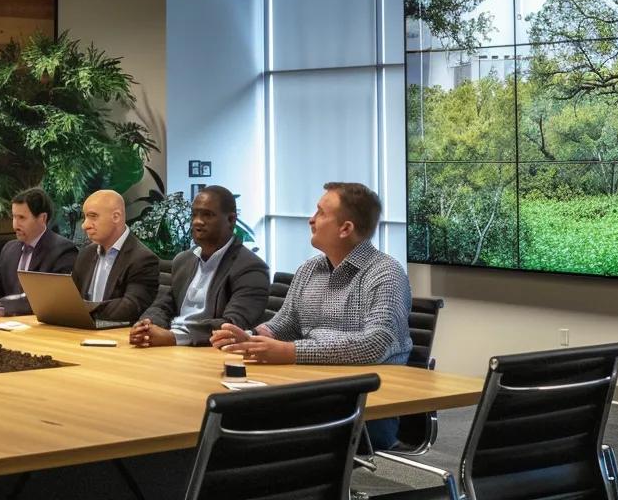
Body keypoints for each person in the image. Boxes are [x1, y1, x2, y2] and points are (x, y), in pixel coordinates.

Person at [210, 182, 412, 449]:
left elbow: (376, 343)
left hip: (364, 404)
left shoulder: (385, 273)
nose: (311, 219)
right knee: (225, 408)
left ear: (346, 229)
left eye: (321, 213)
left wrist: (292, 352)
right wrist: (250, 338)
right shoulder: (309, 269)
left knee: (244, 424)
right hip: (310, 387)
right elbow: (286, 323)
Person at [130, 185, 270, 347]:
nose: (197, 221)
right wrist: (146, 326)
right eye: (194, 214)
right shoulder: (184, 260)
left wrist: (175, 337)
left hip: (207, 350)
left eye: (207, 215)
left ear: (231, 220)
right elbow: (164, 305)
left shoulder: (251, 268)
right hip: (171, 346)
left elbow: (232, 325)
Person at [0, 188, 79, 317]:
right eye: (14, 217)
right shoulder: (10, 249)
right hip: (10, 325)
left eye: (22, 218)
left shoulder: (63, 251)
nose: (15, 225)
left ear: (42, 218)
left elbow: (43, 299)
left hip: (42, 328)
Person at [68, 189, 159, 323]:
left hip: (117, 335)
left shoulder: (143, 259)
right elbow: (71, 299)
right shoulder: (86, 254)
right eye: (85, 217)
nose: (85, 225)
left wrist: (85, 309)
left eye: (93, 216)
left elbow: (129, 308)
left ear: (116, 217)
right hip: (82, 330)